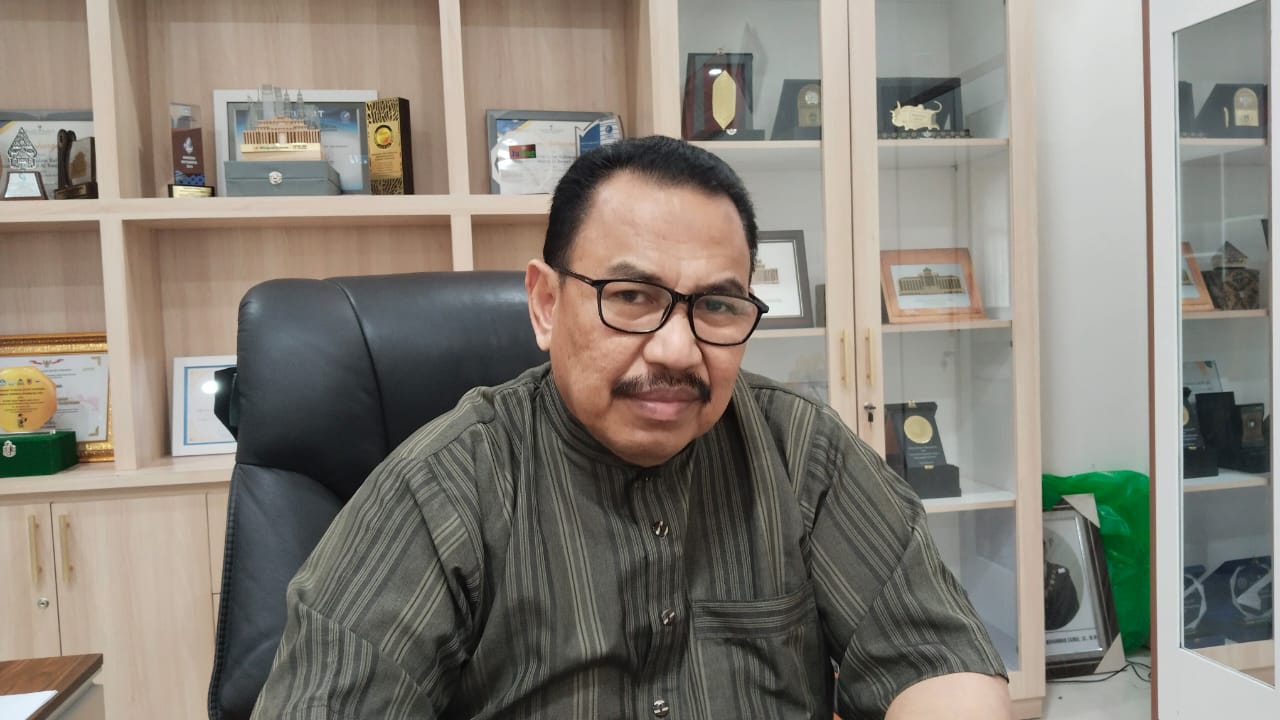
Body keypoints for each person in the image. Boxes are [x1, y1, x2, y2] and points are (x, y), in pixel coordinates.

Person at [252, 135, 1012, 719]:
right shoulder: (444, 486)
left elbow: (937, 658)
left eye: (717, 306)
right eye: (631, 297)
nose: (678, 350)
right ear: (546, 305)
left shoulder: (800, 449)